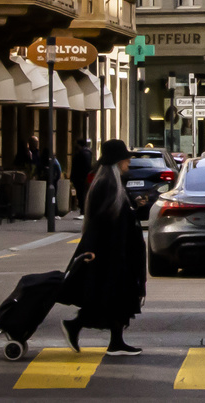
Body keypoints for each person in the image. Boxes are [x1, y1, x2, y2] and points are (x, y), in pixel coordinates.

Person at [61, 140, 147, 357]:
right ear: (117, 161)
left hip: (117, 250)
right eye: (126, 158)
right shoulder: (108, 185)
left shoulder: (113, 183)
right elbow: (102, 222)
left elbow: (116, 216)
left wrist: (133, 207)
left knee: (116, 297)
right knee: (115, 296)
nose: (129, 161)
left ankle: (114, 341)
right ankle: (80, 327)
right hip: (112, 252)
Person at [71, 138, 94, 221]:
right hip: (81, 178)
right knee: (81, 194)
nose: (74, 145)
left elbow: (83, 167)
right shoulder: (86, 153)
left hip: (81, 178)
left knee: (82, 195)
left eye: (76, 144)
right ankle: (83, 211)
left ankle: (83, 212)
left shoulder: (83, 153)